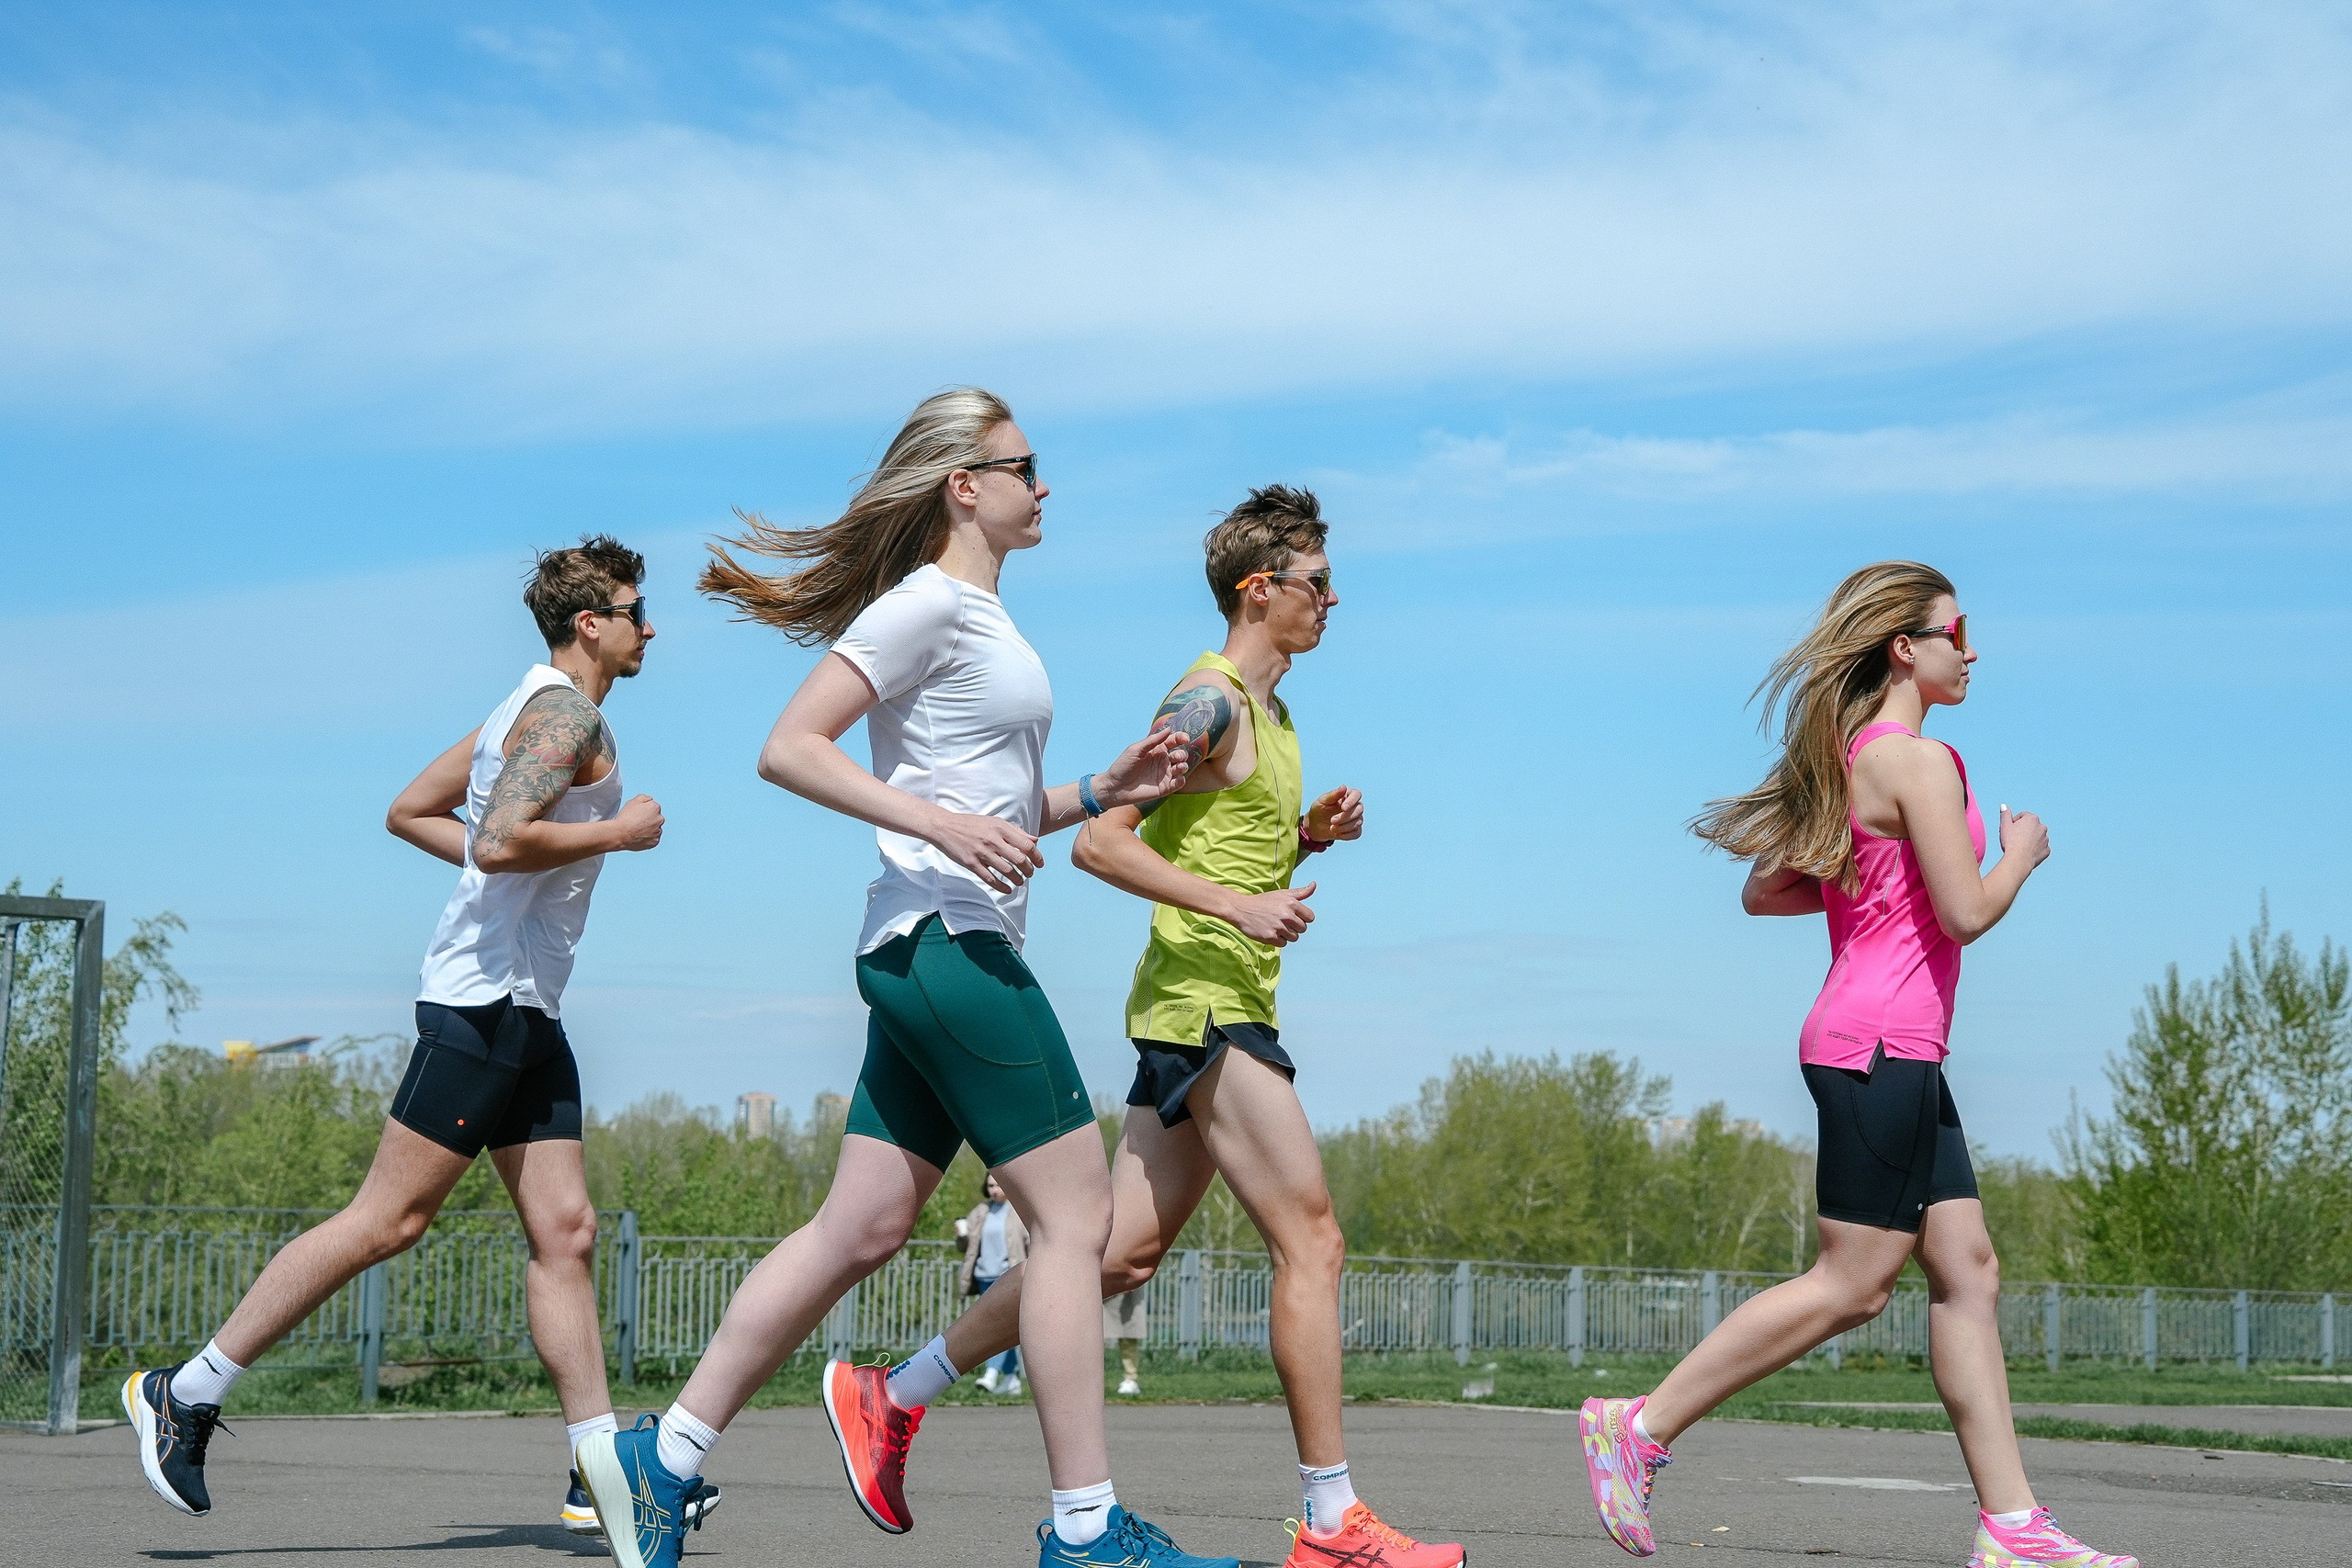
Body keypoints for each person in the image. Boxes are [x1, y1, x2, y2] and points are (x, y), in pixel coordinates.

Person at [576, 389, 1231, 1568]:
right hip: (950, 946)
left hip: (925, 943)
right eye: (1024, 465)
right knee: (1077, 1223)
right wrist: (935, 823)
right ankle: (1086, 1530)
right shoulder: (927, 605)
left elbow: (1002, 814)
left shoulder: (979, 618)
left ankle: (661, 1458)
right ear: (962, 486)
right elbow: (790, 747)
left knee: (864, 1223)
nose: (1044, 484)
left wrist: (1106, 784)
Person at [849, 486, 1463, 1568]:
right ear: (1257, 589)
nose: (1334, 602)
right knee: (1311, 1239)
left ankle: (894, 1394)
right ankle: (1333, 1521)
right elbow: (1104, 843)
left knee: (1113, 1257)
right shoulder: (1209, 699)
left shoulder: (1272, 719)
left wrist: (1303, 844)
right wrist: (1238, 906)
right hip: (1207, 1006)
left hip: (1217, 1002)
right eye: (1319, 584)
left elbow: (1221, 851)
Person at [122, 536, 713, 1539]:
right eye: (633, 609)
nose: (648, 626)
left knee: (564, 1234)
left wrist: (507, 868)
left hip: (529, 1009)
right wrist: (612, 834)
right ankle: (187, 1391)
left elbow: (415, 813)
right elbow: (493, 839)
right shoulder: (560, 713)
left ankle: (597, 1468)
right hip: (484, 1005)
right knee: (388, 1223)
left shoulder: (522, 710)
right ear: (590, 625)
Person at [1577, 562, 2136, 1568]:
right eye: (1955, 633)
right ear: (1903, 648)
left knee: (1966, 1271)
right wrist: (2020, 852)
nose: (1971, 651)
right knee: (1855, 1283)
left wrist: (1872, 892)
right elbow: (1967, 912)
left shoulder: (1850, 760)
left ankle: (2012, 1528)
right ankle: (1639, 1424)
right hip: (1880, 1047)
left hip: (1890, 1044)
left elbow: (1764, 891)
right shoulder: (1923, 763)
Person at [959, 1174, 1028, 1394]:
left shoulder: (1018, 1212)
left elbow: (1031, 1240)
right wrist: (961, 1235)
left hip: (1009, 1277)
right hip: (984, 1277)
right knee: (1001, 1328)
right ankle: (1011, 1378)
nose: (994, 1190)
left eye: (998, 1185)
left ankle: (991, 1373)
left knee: (999, 1328)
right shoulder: (981, 1212)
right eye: (990, 1185)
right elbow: (965, 1246)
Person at [1103, 1287, 1146, 1396]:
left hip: (1125, 1290)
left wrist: (1129, 1283)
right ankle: (1091, 1380)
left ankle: (1131, 1378)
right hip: (1100, 1286)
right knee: (1092, 1337)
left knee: (1128, 1335)